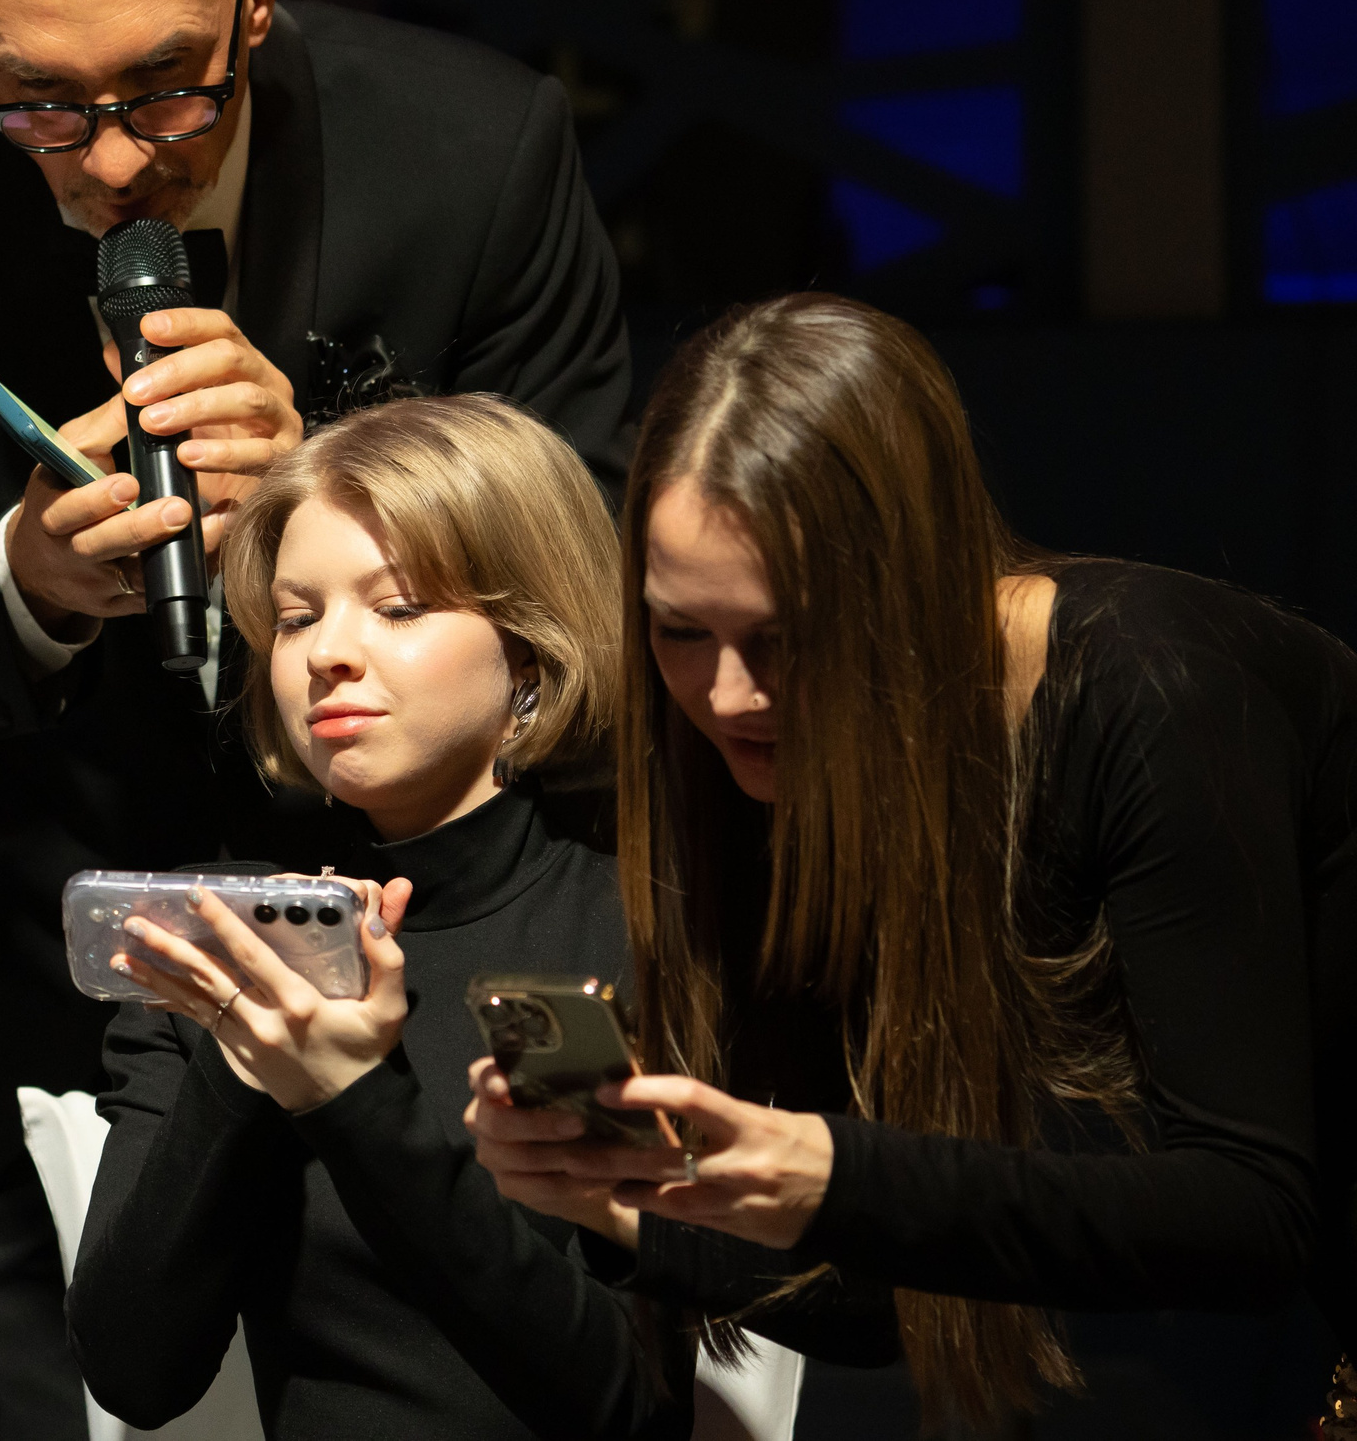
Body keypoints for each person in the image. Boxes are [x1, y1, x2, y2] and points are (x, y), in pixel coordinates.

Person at [0, 0, 629, 1433]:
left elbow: (596, 573)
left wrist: (337, 489)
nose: (111, 164)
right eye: (38, 105)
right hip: (48, 988)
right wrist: (26, 579)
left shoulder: (473, 151)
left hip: (430, 981)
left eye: (170, 93)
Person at [466, 294, 1357, 1430]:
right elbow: (881, 1306)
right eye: (680, 631)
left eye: (787, 639)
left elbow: (1247, 1219)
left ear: (910, 589)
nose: (729, 694)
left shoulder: (1159, 692)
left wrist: (829, 1174)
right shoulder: (767, 758)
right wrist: (629, 1205)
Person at [64, 396, 690, 1440]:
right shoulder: (225, 938)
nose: (326, 656)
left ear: (527, 651)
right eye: (298, 617)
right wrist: (244, 1055)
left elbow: (617, 1402)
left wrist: (353, 1096)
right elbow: (133, 1371)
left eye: (395, 608)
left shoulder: (606, 937)